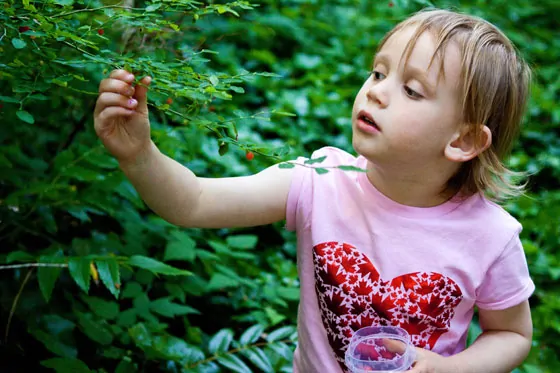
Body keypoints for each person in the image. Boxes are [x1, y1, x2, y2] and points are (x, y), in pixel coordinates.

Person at [94, 8, 535, 373]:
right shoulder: (321, 180)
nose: (377, 92)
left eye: (411, 90)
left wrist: (447, 369)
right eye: (378, 72)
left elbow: (511, 334)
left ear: (463, 141)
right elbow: (194, 202)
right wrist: (139, 155)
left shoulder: (489, 236)